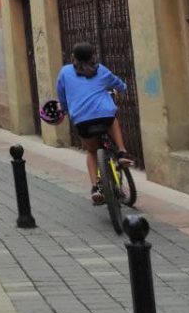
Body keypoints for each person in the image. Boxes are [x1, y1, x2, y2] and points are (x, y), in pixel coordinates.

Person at [57, 42, 134, 204]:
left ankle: (96, 188)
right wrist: (119, 89)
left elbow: (62, 96)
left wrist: (65, 109)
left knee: (92, 152)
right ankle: (121, 152)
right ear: (93, 56)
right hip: (104, 116)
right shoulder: (101, 71)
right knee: (112, 118)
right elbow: (121, 86)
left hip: (82, 120)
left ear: (74, 57)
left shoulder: (65, 72)